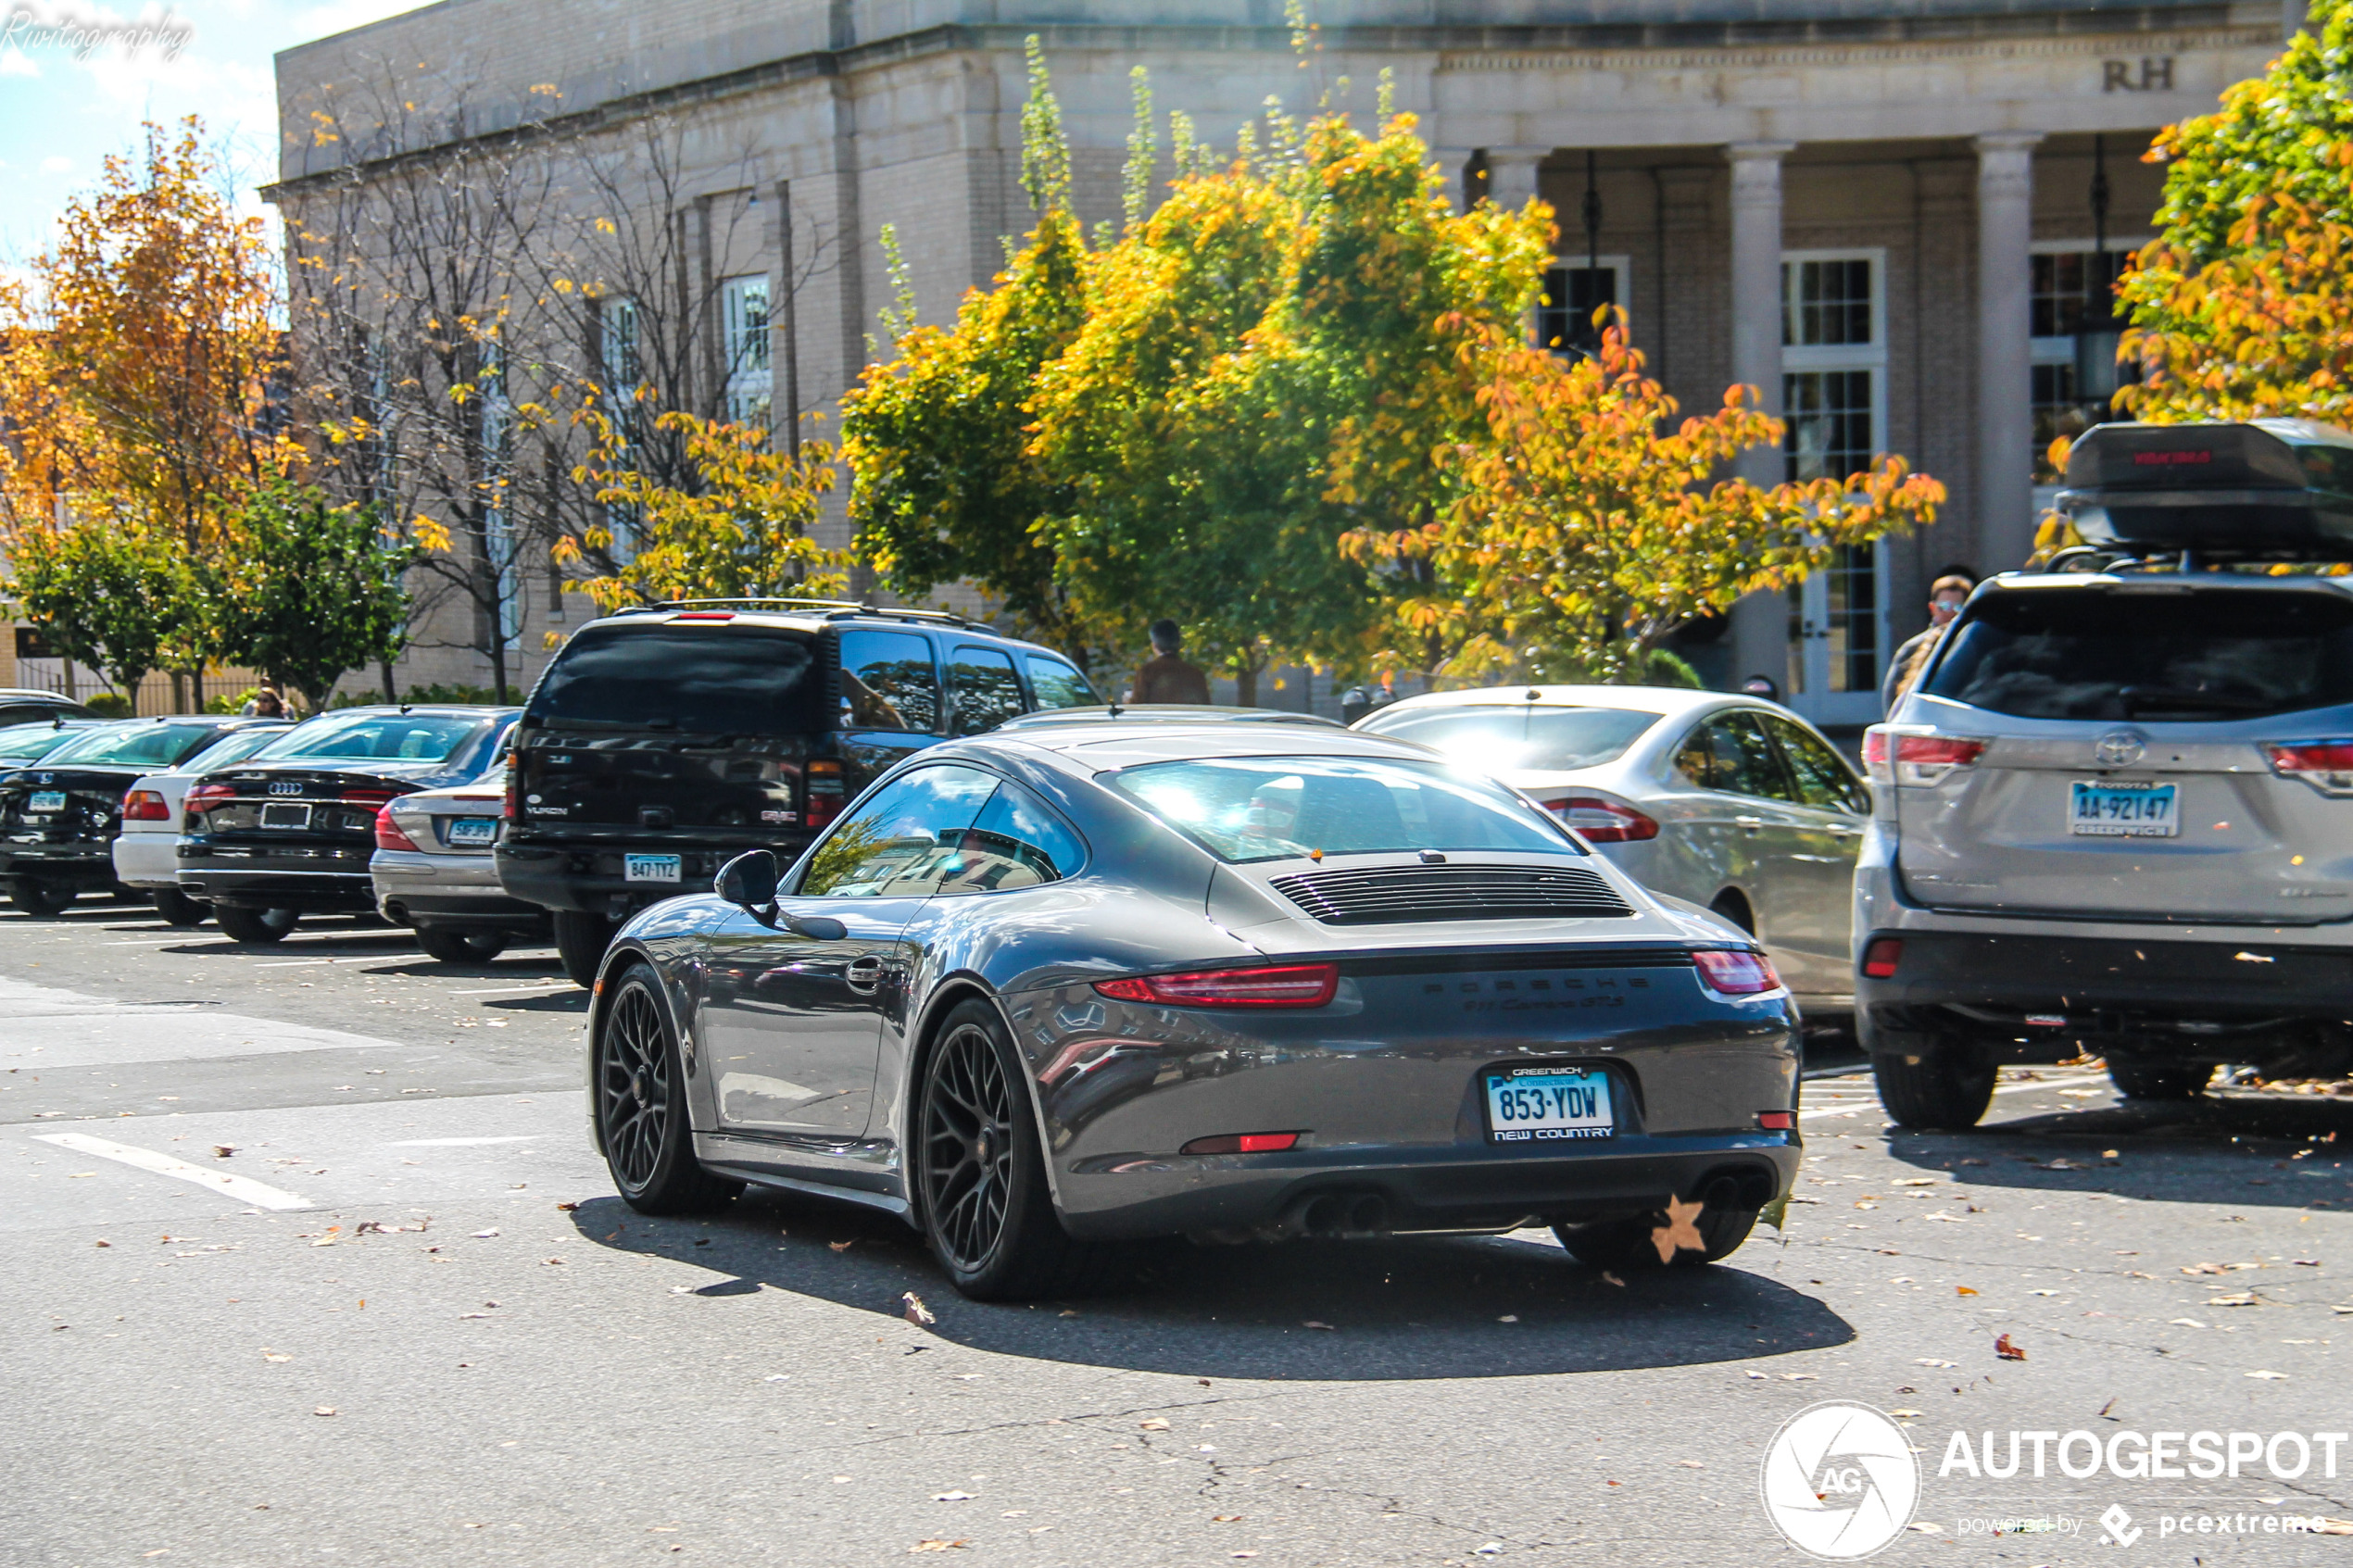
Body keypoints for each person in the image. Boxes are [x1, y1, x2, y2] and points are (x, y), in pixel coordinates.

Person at [1881, 572, 1974, 712]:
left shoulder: (1974, 647)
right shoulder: (1913, 648)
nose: (1950, 613)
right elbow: (1892, 698)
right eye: (1943, 606)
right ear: (1932, 608)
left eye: (1958, 608)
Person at [1127, 620, 1211, 705]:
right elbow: (1206, 709)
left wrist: (1127, 702)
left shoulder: (1146, 672)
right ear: (1179, 643)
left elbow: (1137, 708)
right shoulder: (1196, 674)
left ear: (1154, 645)